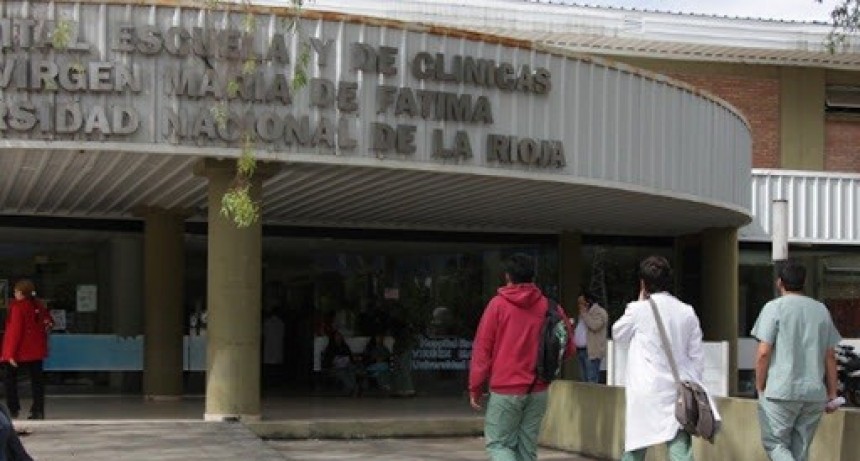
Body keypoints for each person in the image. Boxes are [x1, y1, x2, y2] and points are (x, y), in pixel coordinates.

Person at [468, 253, 574, 461]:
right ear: (533, 277)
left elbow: (482, 351)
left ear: (507, 276)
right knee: (527, 450)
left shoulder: (497, 305)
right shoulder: (552, 307)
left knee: (499, 445)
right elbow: (568, 348)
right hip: (538, 389)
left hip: (505, 389)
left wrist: (475, 388)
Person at [612, 256, 712, 461]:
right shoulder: (687, 311)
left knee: (635, 447)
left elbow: (618, 334)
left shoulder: (638, 310)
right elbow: (697, 358)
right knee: (680, 451)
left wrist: (640, 301)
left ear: (643, 284)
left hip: (645, 392)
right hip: (677, 392)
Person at [751, 258, 841, 461]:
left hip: (780, 391)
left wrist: (760, 386)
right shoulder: (821, 310)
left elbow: (764, 352)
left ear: (779, 282)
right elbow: (830, 355)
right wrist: (833, 393)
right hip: (813, 393)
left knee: (775, 444)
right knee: (800, 449)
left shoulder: (773, 308)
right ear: (804, 282)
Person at [1, 280, 52, 421]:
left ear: (22, 294)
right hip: (36, 351)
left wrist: (9, 354)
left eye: (17, 291)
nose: (14, 293)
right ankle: (38, 410)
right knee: (37, 382)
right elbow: (48, 322)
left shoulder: (17, 308)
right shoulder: (38, 306)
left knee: (9, 380)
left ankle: (13, 408)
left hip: (19, 352)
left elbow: (14, 332)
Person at [574, 290, 609, 383]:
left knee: (591, 380)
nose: (579, 305)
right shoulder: (583, 314)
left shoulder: (600, 312)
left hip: (591, 352)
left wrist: (584, 314)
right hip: (580, 350)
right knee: (583, 380)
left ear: (588, 302)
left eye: (581, 303)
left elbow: (594, 326)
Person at [321, 331, 359, 396]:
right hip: (334, 367)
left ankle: (350, 388)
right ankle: (354, 387)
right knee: (342, 372)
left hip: (346, 365)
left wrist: (351, 359)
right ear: (333, 338)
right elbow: (327, 361)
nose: (339, 338)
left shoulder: (345, 346)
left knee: (351, 368)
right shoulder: (330, 347)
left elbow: (350, 357)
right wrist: (334, 361)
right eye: (337, 336)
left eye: (340, 336)